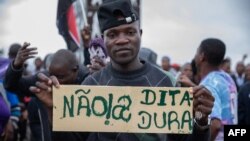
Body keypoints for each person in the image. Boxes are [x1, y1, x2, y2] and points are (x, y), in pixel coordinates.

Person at [30, 0, 214, 141]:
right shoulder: (90, 86)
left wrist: (201, 121)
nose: (122, 40)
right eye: (113, 34)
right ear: (104, 39)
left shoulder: (167, 83)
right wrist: (54, 113)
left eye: (130, 32)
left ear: (140, 35)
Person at [194, 38, 237, 141]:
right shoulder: (227, 78)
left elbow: (215, 125)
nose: (195, 55)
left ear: (202, 56)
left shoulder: (209, 84)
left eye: (197, 51)